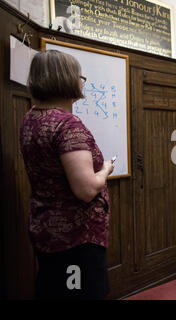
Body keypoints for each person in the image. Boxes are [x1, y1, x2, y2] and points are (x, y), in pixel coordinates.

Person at [20, 50, 115, 299]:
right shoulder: (66, 124)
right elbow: (85, 190)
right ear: (65, 79)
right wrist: (105, 169)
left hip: (46, 229)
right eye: (78, 75)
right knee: (80, 292)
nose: (81, 81)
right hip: (75, 239)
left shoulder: (31, 118)